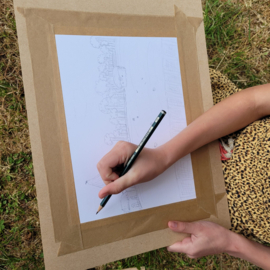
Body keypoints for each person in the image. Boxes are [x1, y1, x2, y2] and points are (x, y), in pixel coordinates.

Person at [97, 70, 270, 269]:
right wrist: (163, 156)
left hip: (226, 210)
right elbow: (256, 102)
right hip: (220, 126)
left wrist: (231, 243)